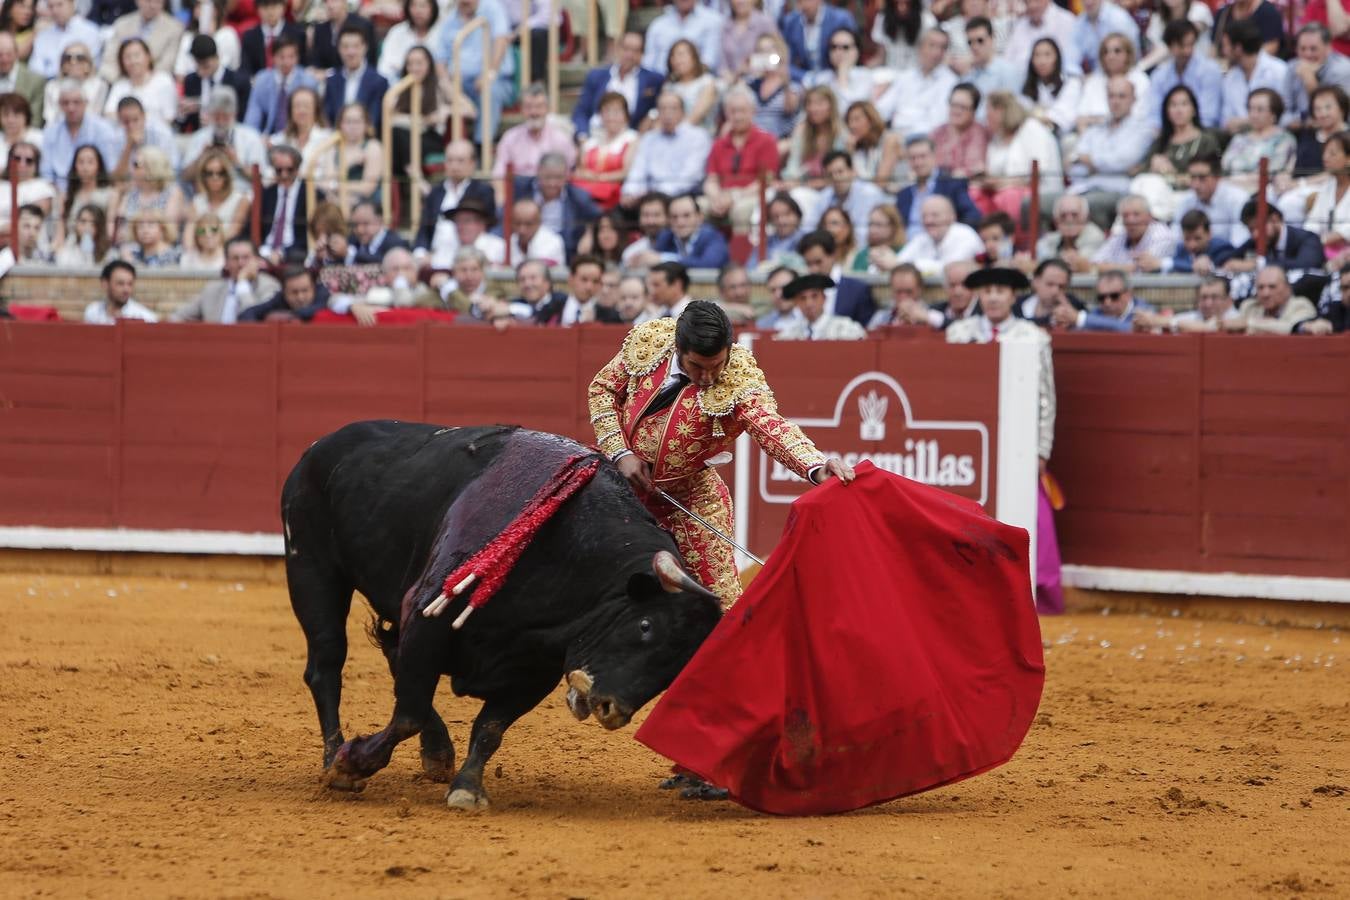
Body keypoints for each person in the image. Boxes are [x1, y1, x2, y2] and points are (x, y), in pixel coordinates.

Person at [588, 299, 855, 604]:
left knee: (722, 603)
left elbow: (770, 426)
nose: (707, 378)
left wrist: (817, 466)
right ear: (677, 348)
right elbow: (603, 389)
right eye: (696, 367)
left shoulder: (740, 378)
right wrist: (621, 453)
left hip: (690, 499)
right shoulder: (652, 340)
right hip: (618, 491)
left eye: (717, 365)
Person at [945, 264, 1060, 612]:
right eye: (988, 290)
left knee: (1028, 512)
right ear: (980, 295)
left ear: (1013, 296)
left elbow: (1046, 397)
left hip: (1017, 444)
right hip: (971, 442)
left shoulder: (1033, 337)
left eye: (1001, 290)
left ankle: (1032, 592)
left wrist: (1041, 449)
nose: (993, 296)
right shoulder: (959, 333)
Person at [434, 0, 516, 145]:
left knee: (489, 91)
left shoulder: (492, 8)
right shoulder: (449, 19)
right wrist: (446, 83)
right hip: (458, 82)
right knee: (435, 90)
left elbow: (500, 40)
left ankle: (481, 147)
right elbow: (440, 59)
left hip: (494, 79)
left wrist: (489, 73)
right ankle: (443, 147)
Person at [1067, 78, 1153, 213]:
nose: (1116, 101)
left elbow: (1121, 161)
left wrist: (1088, 161)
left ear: (1134, 99)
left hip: (1117, 191)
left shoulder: (1142, 130)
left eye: (1122, 96)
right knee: (1033, 203)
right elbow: (1074, 169)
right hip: (1083, 188)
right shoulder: (1095, 129)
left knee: (1078, 208)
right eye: (1111, 96)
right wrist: (1093, 163)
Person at [976, 90, 1061, 226]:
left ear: (1001, 111)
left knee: (1008, 197)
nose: (987, 119)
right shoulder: (997, 138)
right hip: (1004, 188)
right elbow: (993, 171)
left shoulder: (1032, 129)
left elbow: (1036, 173)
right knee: (976, 193)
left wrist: (1003, 183)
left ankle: (1012, 241)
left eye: (989, 114)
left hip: (1039, 189)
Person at [619, 91, 710, 205]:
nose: (667, 113)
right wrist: (629, 192)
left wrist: (657, 195)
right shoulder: (649, 138)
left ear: (683, 112)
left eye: (673, 108)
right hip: (648, 197)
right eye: (663, 109)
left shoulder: (697, 136)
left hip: (683, 195)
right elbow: (638, 171)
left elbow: (691, 176)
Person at [571, 30, 664, 141]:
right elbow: (582, 111)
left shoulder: (653, 79)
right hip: (595, 134)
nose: (630, 55)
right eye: (626, 49)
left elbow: (660, 105)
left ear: (641, 54)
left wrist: (651, 116)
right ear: (617, 49)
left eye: (635, 51)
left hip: (629, 138)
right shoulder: (596, 76)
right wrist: (583, 136)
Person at [415, 139, 494, 266]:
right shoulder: (435, 192)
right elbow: (425, 227)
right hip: (434, 255)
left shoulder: (483, 191)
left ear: (472, 163)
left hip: (469, 255)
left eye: (460, 161)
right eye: (450, 160)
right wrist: (420, 254)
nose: (454, 166)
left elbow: (488, 227)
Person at [512, 152, 600, 262]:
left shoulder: (578, 197)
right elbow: (504, 216)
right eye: (548, 177)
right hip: (523, 243)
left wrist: (589, 234)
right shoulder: (521, 188)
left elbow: (597, 218)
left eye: (558, 178)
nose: (552, 183)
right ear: (538, 172)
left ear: (566, 176)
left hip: (565, 248)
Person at [172, 237, 279, 322]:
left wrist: (242, 284)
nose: (241, 263)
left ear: (257, 261)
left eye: (246, 258)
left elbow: (252, 320)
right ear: (226, 263)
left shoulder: (269, 286)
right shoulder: (213, 289)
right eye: (235, 258)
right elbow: (178, 316)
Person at [181, 87, 269, 192]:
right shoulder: (199, 138)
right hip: (206, 195)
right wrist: (201, 157)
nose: (221, 121)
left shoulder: (251, 137)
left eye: (225, 116)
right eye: (217, 116)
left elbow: (260, 178)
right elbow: (185, 177)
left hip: (240, 194)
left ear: (234, 114)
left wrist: (237, 162)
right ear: (210, 115)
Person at [876, 29, 957, 140]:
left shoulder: (950, 82)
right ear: (920, 47)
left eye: (942, 48)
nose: (937, 52)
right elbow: (881, 110)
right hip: (893, 136)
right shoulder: (905, 77)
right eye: (932, 45)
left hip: (924, 141)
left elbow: (938, 123)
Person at [492, 83, 576, 186]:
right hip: (519, 194)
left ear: (547, 109)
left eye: (539, 106)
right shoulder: (510, 138)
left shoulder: (561, 139)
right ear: (521, 110)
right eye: (528, 107)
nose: (534, 112)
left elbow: (570, 176)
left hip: (551, 192)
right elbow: (499, 176)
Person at [40, 80, 119, 189]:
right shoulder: (50, 132)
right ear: (59, 105)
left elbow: (110, 169)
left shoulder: (103, 130)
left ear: (86, 103)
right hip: (59, 193)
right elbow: (46, 173)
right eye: (65, 103)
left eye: (76, 102)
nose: (71, 108)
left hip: (95, 191)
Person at [896, 136, 981, 233]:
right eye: (912, 158)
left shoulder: (951, 185)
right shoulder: (903, 194)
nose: (918, 162)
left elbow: (973, 216)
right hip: (911, 244)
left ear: (934, 156)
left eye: (923, 156)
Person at [1148, 20, 1223, 129]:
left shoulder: (1210, 70)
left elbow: (1208, 116)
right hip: (1168, 134)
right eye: (1182, 46)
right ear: (1169, 46)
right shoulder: (1159, 75)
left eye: (1191, 44)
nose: (1187, 51)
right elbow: (1154, 115)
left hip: (1202, 133)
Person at [312, 102, 383, 215]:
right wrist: (349, 163)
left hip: (365, 204)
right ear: (340, 124)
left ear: (366, 124)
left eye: (357, 122)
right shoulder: (333, 147)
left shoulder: (372, 147)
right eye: (348, 122)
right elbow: (327, 180)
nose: (352, 126)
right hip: (336, 201)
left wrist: (337, 187)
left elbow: (367, 188)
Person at [571, 92, 638, 211]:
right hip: (585, 188)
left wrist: (599, 177)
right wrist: (585, 174)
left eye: (616, 112)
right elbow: (579, 169)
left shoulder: (631, 139)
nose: (611, 117)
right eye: (606, 111)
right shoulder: (591, 141)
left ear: (626, 116)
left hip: (613, 192)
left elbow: (626, 172)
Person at [1221, 87, 1296, 192]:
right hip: (1228, 187)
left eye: (1260, 110)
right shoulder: (1239, 138)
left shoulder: (1284, 140)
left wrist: (1232, 182)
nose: (1253, 115)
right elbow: (1224, 166)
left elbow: (1272, 173)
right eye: (1250, 109)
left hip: (1262, 191)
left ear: (1274, 114)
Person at [1219, 19, 1289, 132]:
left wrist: (1245, 122)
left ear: (1238, 48)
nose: (1223, 52)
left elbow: (1285, 115)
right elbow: (1226, 121)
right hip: (1239, 141)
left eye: (1226, 46)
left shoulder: (1279, 70)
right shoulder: (1230, 77)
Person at [797, 228, 876, 326]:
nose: (814, 270)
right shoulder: (800, 290)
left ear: (833, 255)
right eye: (809, 264)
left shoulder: (857, 290)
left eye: (818, 262)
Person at [1226, 197, 1326, 273]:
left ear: (1275, 219)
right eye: (1251, 229)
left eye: (1258, 227)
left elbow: (1308, 265)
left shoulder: (1307, 239)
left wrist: (1260, 264)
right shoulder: (1257, 241)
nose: (1255, 234)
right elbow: (1228, 258)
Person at [1075, 32, 1150, 132]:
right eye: (1106, 52)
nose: (1111, 56)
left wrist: (1099, 120)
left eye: (1117, 51)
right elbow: (1081, 118)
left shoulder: (1140, 80)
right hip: (1094, 136)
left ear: (1128, 55)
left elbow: (1140, 117)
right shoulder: (1094, 81)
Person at [244, 33, 317, 136]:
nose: (287, 62)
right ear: (273, 57)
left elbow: (313, 119)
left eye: (291, 57)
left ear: (297, 57)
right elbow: (252, 117)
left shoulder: (308, 81)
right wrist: (253, 139)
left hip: (297, 136)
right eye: (281, 57)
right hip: (267, 137)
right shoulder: (262, 79)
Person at [179, 35, 252, 133]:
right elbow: (184, 124)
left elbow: (244, 119)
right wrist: (183, 113)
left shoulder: (239, 82)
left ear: (216, 57)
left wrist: (218, 122)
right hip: (199, 136)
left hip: (230, 135)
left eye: (205, 66)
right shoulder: (191, 80)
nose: (201, 71)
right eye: (198, 66)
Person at [322, 24, 389, 132]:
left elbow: (374, 120)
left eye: (355, 46)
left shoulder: (379, 81)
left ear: (365, 47)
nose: (350, 52)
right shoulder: (332, 80)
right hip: (335, 140)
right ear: (339, 49)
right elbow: (328, 117)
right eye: (345, 47)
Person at [898, 194, 985, 276]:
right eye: (924, 216)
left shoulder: (965, 234)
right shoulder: (923, 237)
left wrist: (911, 265)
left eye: (935, 215)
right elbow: (899, 262)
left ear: (952, 216)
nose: (928, 221)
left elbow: (950, 268)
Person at [804, 150, 888, 235]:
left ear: (852, 172)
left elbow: (866, 233)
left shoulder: (870, 193)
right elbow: (810, 227)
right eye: (830, 174)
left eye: (840, 172)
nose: (836, 178)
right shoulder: (824, 197)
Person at [1175, 154, 1251, 246]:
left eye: (1202, 178)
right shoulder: (1187, 200)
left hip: (1226, 256)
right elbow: (1176, 238)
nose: (1195, 185)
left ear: (1217, 177)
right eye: (1192, 178)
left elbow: (1239, 242)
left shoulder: (1237, 199)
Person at [99, 0, 184, 83]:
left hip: (153, 83)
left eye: (158, 2)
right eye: (148, 1)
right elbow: (110, 59)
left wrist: (142, 81)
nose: (153, 5)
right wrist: (121, 81)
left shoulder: (175, 28)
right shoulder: (122, 24)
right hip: (121, 80)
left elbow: (166, 65)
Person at [1050, 268, 1157, 331]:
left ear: (1128, 294)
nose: (1107, 302)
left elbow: (1130, 328)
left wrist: (1080, 318)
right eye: (1101, 297)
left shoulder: (1144, 309)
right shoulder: (1098, 312)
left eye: (1114, 296)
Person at [1091, 194, 1177, 271]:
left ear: (1149, 216)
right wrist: (1124, 269)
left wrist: (1106, 268)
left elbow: (1139, 269)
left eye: (1136, 214)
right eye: (1125, 215)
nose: (1130, 220)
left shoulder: (1162, 236)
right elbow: (1093, 264)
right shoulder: (1121, 235)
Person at [105, 37, 176, 127]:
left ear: (148, 57)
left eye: (137, 55)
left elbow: (169, 117)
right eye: (127, 57)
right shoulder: (120, 85)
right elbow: (109, 114)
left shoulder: (163, 80)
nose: (133, 61)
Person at [1225, 264, 1318, 333]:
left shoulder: (1301, 305)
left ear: (1287, 289)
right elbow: (1233, 325)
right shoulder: (1250, 306)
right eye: (1261, 287)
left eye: (1272, 287)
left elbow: (1292, 328)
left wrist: (1249, 323)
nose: (1266, 294)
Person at [646, 194, 730, 270]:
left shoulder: (713, 236)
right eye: (674, 217)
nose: (680, 222)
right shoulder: (666, 237)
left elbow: (709, 264)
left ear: (699, 217)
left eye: (686, 216)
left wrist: (664, 259)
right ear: (668, 220)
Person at [774, 272, 868, 340]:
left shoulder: (846, 328)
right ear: (796, 303)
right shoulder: (789, 334)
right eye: (803, 298)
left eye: (814, 296)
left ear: (824, 298)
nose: (809, 303)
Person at [532, 253, 620, 325]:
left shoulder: (609, 316)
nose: (589, 287)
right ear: (571, 280)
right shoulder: (550, 308)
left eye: (595, 281)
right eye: (584, 279)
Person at [804, 28, 877, 112]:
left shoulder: (865, 75)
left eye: (845, 47)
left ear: (857, 51)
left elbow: (853, 112)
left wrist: (842, 75)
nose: (838, 52)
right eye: (834, 47)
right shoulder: (821, 78)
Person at [1133, 274, 1240, 332]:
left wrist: (1160, 321)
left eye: (1215, 297)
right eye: (1203, 297)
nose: (1208, 303)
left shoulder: (1237, 318)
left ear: (1229, 300)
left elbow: (1211, 327)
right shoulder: (1194, 316)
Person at [781, 85, 843, 185]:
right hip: (802, 184)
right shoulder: (802, 131)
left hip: (831, 186)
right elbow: (793, 165)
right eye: (809, 103)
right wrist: (790, 181)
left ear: (831, 106)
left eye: (819, 103)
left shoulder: (840, 133)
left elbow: (840, 172)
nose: (813, 108)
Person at [1020, 37, 1081, 135]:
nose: (1042, 61)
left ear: (1057, 58)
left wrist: (1036, 117)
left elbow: (1061, 118)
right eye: (1037, 55)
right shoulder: (1028, 86)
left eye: (1047, 55)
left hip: (1060, 136)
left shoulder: (1071, 83)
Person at [1004, 0, 1081, 77]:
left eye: (1036, 1)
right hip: (1021, 82)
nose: (1032, 6)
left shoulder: (1066, 21)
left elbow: (1069, 63)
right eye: (1027, 2)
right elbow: (1007, 60)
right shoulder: (1021, 24)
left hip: (1056, 81)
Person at [643, 0, 722, 75]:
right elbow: (647, 63)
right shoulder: (658, 24)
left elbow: (709, 61)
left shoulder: (713, 21)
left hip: (698, 82)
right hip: (660, 82)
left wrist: (683, 80)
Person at [29, 0, 102, 81]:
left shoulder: (91, 32)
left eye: (59, 5)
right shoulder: (43, 36)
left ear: (72, 4)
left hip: (82, 85)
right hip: (48, 86)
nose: (55, 11)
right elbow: (35, 69)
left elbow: (93, 67)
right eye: (51, 6)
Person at [260, 144, 308, 264]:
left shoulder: (310, 194)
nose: (284, 175)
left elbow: (309, 235)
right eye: (279, 170)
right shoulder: (266, 194)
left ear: (298, 169)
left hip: (296, 253)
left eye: (289, 170)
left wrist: (282, 253)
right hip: (265, 251)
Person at [41, 43, 106, 130]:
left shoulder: (99, 85)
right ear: (62, 64)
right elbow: (50, 117)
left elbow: (94, 115)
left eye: (80, 58)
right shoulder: (52, 87)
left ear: (88, 63)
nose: (73, 62)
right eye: (68, 58)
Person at [930, 84, 987, 182]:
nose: (956, 111)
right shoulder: (938, 132)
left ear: (974, 110)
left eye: (963, 107)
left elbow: (973, 168)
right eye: (953, 105)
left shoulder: (979, 133)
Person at [1037, 193, 1105, 272]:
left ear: (1086, 218)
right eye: (1063, 215)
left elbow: (1078, 264)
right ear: (1056, 221)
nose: (1069, 220)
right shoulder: (1052, 238)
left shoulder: (1095, 236)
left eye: (1074, 215)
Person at [779, 0, 852, 73]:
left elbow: (852, 52)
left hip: (836, 75)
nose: (804, 5)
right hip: (803, 79)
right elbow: (786, 62)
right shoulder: (791, 22)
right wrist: (805, 77)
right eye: (800, 1)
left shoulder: (840, 19)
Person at [842, 100, 903, 186]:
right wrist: (850, 153)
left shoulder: (890, 140)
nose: (852, 125)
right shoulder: (857, 147)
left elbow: (881, 182)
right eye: (849, 121)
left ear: (871, 120)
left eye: (857, 119)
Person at [961, 16, 1019, 106]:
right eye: (970, 42)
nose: (974, 46)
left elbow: (1012, 111)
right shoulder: (968, 76)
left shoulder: (1008, 72)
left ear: (992, 38)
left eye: (980, 40)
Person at [239, 265, 329, 322]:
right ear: (284, 292)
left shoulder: (323, 294)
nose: (300, 297)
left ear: (313, 287)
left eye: (305, 291)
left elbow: (315, 309)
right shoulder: (280, 298)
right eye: (294, 292)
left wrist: (286, 316)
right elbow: (248, 313)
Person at [240, 0, 306, 77]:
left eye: (275, 6)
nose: (270, 12)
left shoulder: (297, 34)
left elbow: (303, 66)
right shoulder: (249, 37)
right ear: (257, 9)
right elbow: (245, 70)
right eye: (265, 7)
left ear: (284, 7)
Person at [377, 0, 439, 82]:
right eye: (414, 5)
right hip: (400, 85)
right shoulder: (397, 32)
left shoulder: (441, 33)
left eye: (423, 6)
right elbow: (384, 68)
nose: (418, 11)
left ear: (432, 9)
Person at [665, 39, 717, 131]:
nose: (677, 60)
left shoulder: (707, 82)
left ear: (694, 57)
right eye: (673, 56)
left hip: (700, 135)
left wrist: (676, 134)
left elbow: (696, 116)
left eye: (681, 55)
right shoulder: (669, 86)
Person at [310, 0, 376, 72]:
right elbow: (316, 63)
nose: (330, 5)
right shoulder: (320, 30)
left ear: (344, 2)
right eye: (326, 2)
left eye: (334, 1)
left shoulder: (363, 26)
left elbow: (370, 60)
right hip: (325, 80)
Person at [1164, 209, 1236, 274]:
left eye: (1197, 238)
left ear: (1209, 234)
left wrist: (1166, 263)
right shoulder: (1181, 248)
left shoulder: (1221, 248)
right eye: (1187, 239)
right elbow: (1176, 264)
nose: (1192, 245)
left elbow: (1216, 266)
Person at [1015, 257, 1083, 326]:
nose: (1055, 291)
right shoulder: (1016, 304)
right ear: (1035, 281)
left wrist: (1073, 316)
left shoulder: (1076, 307)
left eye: (1061, 287)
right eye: (1050, 284)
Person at [871, 0, 937, 70]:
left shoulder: (927, 20)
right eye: (897, 3)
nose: (902, 8)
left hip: (918, 72)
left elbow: (933, 54)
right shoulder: (882, 18)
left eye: (907, 4)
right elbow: (881, 56)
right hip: (891, 72)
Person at [84, 260, 157, 323]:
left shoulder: (145, 317)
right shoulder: (93, 312)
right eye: (120, 283)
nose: (126, 289)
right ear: (105, 284)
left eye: (130, 284)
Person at [721, 0, 778, 80]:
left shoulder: (765, 23)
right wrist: (729, 76)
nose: (740, 1)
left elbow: (778, 58)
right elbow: (722, 64)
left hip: (759, 82)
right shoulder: (726, 25)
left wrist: (751, 63)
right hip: (731, 83)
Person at [508, 197, 566, 266]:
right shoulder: (508, 242)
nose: (522, 230)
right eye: (517, 223)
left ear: (539, 222)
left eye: (528, 224)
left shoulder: (553, 242)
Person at [852, 205, 906, 274]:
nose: (872, 230)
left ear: (893, 227)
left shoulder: (905, 252)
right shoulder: (862, 255)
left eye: (878, 225)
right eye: (870, 224)